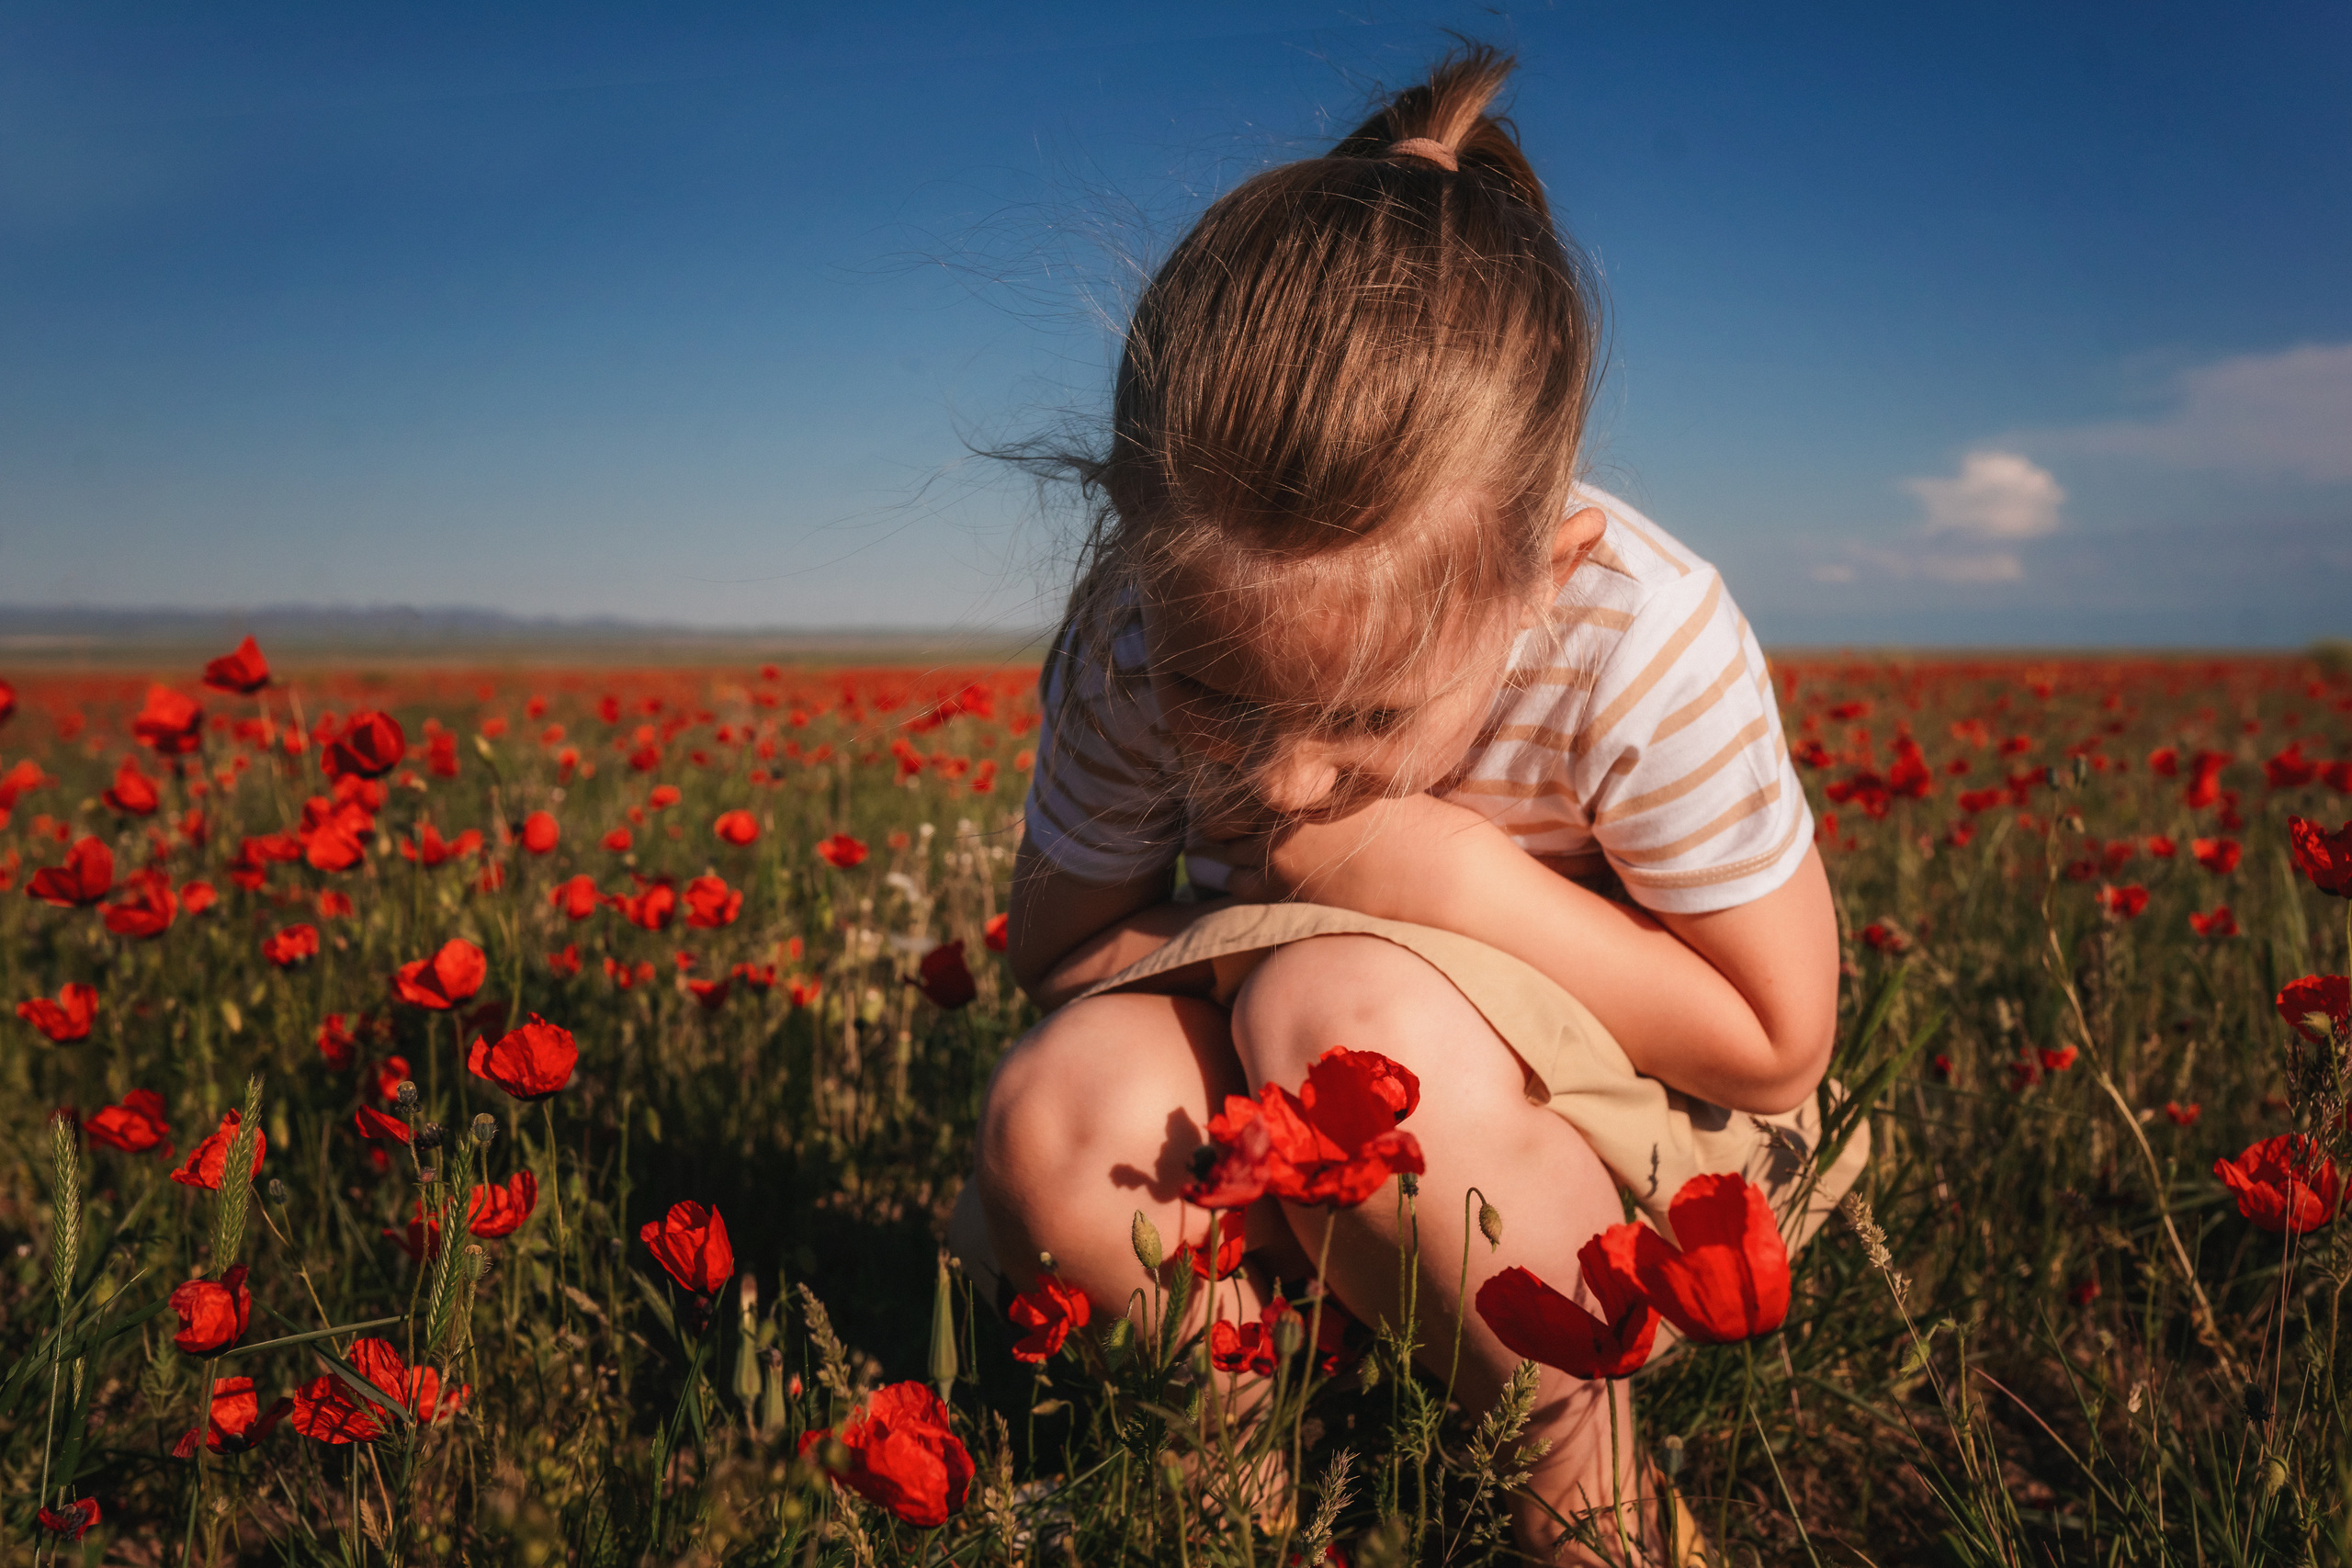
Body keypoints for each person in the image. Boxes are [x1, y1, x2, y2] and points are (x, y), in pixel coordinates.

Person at [958, 44, 1861, 1560]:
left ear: (1541, 579)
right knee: (1064, 1110)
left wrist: (1454, 888)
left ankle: (1588, 1500)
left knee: (1348, 1020)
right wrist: (1276, 938)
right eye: (1220, 699)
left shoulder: (1637, 637)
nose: (1288, 777)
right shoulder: (1132, 639)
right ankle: (1246, 1492)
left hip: (1607, 1154)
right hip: (1304, 1087)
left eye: (1368, 715)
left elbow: (1776, 1046)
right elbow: (1059, 951)